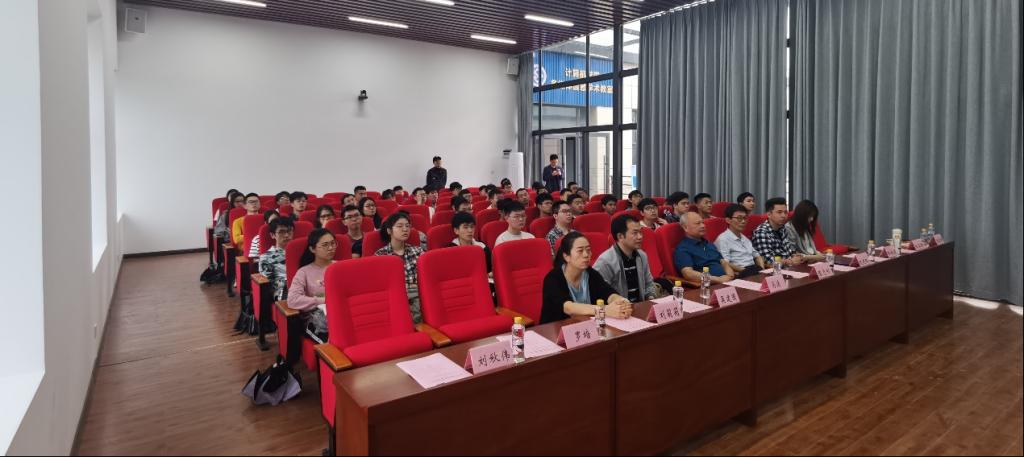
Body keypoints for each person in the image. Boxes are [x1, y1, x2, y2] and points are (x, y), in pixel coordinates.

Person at [541, 232, 633, 324]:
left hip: (586, 326)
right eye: (580, 251)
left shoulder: (590, 273)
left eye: (588, 250)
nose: (586, 255)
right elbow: (568, 307)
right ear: (566, 256)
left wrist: (620, 301)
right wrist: (604, 310)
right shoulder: (553, 279)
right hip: (555, 328)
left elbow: (608, 292)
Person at [287, 228, 336, 344]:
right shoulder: (304, 272)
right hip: (317, 320)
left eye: (333, 243)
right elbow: (293, 300)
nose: (331, 248)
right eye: (325, 245)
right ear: (312, 249)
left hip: (340, 314)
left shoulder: (341, 267)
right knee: (334, 343)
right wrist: (323, 300)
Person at [374, 212, 425, 324]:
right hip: (396, 298)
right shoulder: (380, 256)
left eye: (407, 226)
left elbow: (425, 278)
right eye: (400, 226)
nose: (405, 229)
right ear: (389, 231)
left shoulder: (418, 251)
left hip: (419, 296)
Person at [594, 215, 658, 302]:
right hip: (619, 308)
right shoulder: (605, 261)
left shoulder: (641, 256)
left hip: (640, 306)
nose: (640, 236)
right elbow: (599, 293)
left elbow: (648, 283)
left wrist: (650, 297)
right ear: (620, 236)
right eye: (635, 233)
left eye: (640, 232)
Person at [674, 212, 735, 285]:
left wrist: (730, 276)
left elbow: (723, 262)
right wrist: (718, 280)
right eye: (698, 223)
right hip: (709, 285)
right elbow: (688, 273)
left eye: (703, 222)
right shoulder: (683, 248)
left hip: (727, 281)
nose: (703, 226)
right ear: (685, 228)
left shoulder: (708, 243)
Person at [714, 204, 765, 278]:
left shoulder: (744, 238)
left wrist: (762, 269)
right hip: (740, 272)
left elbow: (757, 256)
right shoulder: (723, 239)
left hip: (753, 270)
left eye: (745, 218)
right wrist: (745, 271)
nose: (743, 221)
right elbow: (725, 263)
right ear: (728, 220)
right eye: (739, 218)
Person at [751, 198, 804, 266]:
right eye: (779, 212)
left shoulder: (783, 228)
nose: (783, 216)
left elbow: (790, 252)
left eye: (785, 212)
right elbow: (768, 260)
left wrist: (797, 256)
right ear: (769, 214)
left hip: (790, 267)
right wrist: (790, 261)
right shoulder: (761, 232)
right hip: (775, 270)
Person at [259, 217, 294, 301]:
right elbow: (267, 285)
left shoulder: (299, 252)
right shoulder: (266, 257)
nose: (286, 235)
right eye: (281, 232)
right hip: (284, 292)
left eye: (289, 231)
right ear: (272, 235)